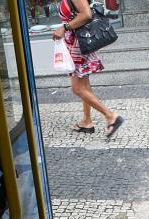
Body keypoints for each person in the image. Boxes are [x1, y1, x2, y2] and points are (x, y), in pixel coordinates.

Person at [52, 0, 124, 137]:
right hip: (78, 41)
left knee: (78, 88)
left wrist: (64, 28)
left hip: (78, 43)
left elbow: (86, 14)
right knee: (84, 86)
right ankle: (87, 121)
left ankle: (111, 117)